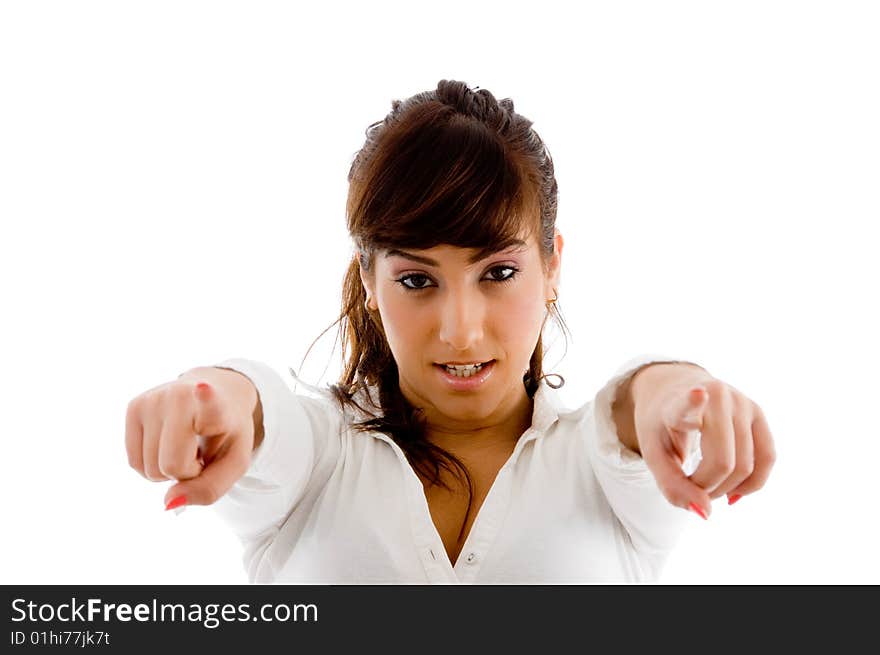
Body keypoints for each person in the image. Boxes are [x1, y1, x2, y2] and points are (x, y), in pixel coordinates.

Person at [125, 80, 775, 583]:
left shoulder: (603, 467)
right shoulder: (319, 459)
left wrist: (678, 390)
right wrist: (219, 397)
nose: (461, 332)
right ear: (371, 282)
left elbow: (635, 409)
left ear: (552, 266)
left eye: (497, 272)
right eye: (417, 280)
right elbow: (264, 417)